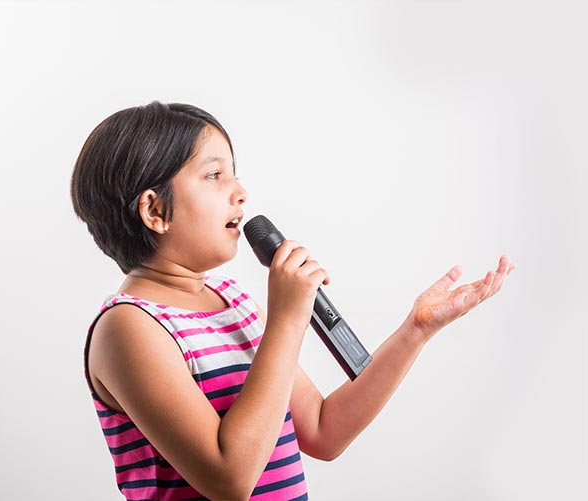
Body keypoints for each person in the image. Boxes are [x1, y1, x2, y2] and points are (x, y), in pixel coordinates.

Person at [70, 101, 516, 501]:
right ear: (155, 212)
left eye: (233, 172)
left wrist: (416, 330)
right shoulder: (128, 328)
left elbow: (324, 432)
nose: (239, 191)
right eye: (214, 175)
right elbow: (229, 480)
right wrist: (286, 321)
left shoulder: (234, 303)